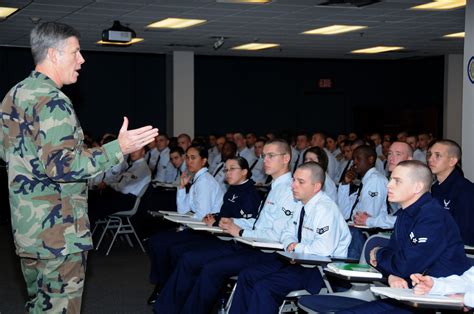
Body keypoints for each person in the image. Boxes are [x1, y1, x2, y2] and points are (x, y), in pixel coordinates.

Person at [0, 22, 158, 313]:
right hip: (58, 232)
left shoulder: (14, 95)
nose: (82, 59)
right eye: (76, 51)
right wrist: (118, 149)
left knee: (39, 306)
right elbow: (63, 167)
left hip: (27, 228)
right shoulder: (53, 101)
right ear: (54, 54)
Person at [153, 139, 299, 314]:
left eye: (270, 156)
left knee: (208, 266)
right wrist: (233, 223)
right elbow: (259, 222)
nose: (264, 160)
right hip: (247, 241)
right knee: (193, 259)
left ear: (286, 158)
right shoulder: (274, 187)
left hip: (265, 250)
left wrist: (239, 229)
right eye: (263, 156)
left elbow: (277, 233)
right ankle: (170, 308)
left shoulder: (289, 190)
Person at [338, 160, 471, 314]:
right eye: (390, 179)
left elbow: (403, 264)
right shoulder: (405, 213)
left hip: (437, 302)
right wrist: (392, 275)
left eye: (397, 181)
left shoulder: (433, 217)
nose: (389, 185)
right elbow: (396, 259)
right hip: (411, 295)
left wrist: (378, 253)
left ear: (417, 187)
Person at [229, 162, 351, 313]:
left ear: (316, 187)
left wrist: (297, 247)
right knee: (248, 275)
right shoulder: (301, 203)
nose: (293, 185)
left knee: (265, 286)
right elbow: (286, 233)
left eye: (301, 182)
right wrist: (291, 245)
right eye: (293, 180)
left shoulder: (325, 210)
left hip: (319, 270)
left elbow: (324, 250)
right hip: (295, 260)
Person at [150, 157, 261, 305]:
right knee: (175, 249)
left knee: (185, 255)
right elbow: (224, 215)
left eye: (232, 169)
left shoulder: (250, 194)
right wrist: (214, 217)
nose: (227, 173)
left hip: (233, 241)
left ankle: (171, 299)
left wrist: (219, 221)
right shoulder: (232, 189)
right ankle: (168, 294)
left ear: (245, 172)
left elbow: (247, 222)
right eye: (226, 169)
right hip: (219, 234)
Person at [147, 144, 224, 303]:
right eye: (187, 157)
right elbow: (183, 210)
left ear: (203, 161)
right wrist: (181, 187)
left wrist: (182, 225)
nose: (189, 161)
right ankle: (164, 283)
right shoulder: (197, 180)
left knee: (162, 244)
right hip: (195, 227)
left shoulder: (205, 182)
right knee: (156, 241)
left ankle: (164, 285)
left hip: (206, 232)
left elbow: (202, 216)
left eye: (193, 157)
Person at [337, 145, 388, 259]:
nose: (354, 163)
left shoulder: (375, 180)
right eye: (353, 159)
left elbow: (367, 217)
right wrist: (345, 183)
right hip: (356, 232)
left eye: (358, 159)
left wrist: (349, 222)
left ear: (370, 159)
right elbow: (344, 212)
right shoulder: (363, 182)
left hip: (366, 235)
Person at [353, 141, 413, 228]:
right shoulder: (393, 181)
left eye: (398, 154)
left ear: (409, 160)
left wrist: (371, 221)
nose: (391, 158)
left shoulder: (414, 183)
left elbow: (407, 220)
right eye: (389, 153)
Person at [428, 139, 474, 246]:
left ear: (452, 161)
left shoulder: (466, 190)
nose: (430, 159)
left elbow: (465, 233)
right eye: (430, 155)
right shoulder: (435, 187)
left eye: (437, 155)